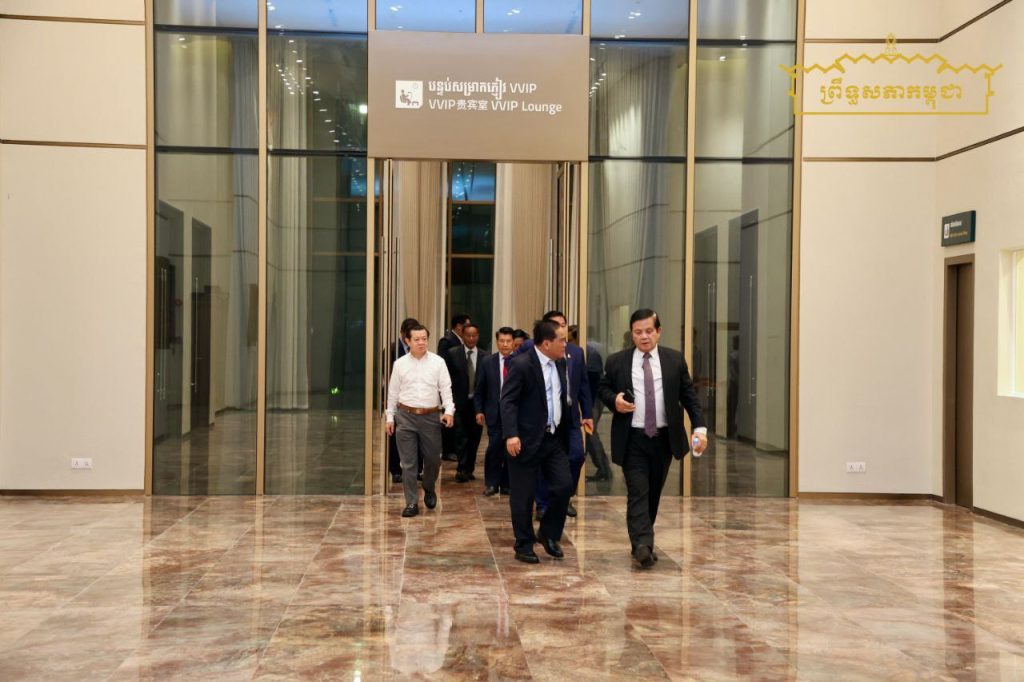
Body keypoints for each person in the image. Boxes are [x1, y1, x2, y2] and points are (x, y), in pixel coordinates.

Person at [597, 308, 708, 568]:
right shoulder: (617, 361)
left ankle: (642, 541)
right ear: (631, 334)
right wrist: (614, 400)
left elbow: (688, 396)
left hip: (663, 438)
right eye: (638, 332)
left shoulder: (674, 360)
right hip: (632, 437)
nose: (644, 336)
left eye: (649, 331)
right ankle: (642, 546)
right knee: (638, 490)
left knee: (653, 493)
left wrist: (700, 428)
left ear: (658, 332)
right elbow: (603, 388)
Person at [500, 319, 574, 564]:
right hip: (525, 439)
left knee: (564, 486)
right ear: (546, 343)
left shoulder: (561, 362)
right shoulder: (521, 364)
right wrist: (511, 434)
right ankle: (523, 544)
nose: (566, 344)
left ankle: (549, 533)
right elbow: (508, 401)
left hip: (553, 438)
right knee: (523, 496)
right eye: (562, 340)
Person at [386, 324, 455, 518]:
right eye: (417, 339)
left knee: (433, 460)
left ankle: (429, 486)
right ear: (408, 341)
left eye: (424, 339)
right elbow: (393, 393)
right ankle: (411, 502)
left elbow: (446, 389)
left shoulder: (438, 362)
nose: (421, 342)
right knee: (408, 463)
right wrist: (390, 417)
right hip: (405, 416)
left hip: (430, 417)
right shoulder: (399, 364)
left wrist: (449, 411)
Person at [531, 312, 592, 520]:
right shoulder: (533, 350)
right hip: (545, 419)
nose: (561, 328)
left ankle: (563, 497)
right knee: (544, 461)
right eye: (556, 324)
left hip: (570, 417)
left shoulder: (575, 352)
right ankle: (542, 503)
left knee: (576, 456)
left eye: (563, 324)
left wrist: (588, 413)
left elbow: (583, 385)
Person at [475, 327, 514, 496]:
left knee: (511, 450)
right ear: (497, 342)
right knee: (494, 448)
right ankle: (491, 483)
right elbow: (479, 389)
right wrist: (479, 410)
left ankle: (507, 484)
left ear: (513, 342)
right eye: (501, 341)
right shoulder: (487, 362)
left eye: (508, 341)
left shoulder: (521, 362)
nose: (505, 344)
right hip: (494, 413)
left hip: (513, 414)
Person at [571, 325, 611, 482]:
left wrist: (587, 406)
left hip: (594, 399)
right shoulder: (580, 352)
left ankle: (603, 469)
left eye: (570, 339)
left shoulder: (590, 354)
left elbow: (593, 382)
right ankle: (602, 468)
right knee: (589, 434)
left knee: (590, 433)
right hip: (587, 399)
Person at [447, 323, 486, 483]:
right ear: (462, 336)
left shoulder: (485, 356)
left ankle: (469, 468)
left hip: (477, 405)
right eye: (468, 335)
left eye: (474, 335)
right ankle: (461, 469)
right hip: (458, 403)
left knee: (474, 438)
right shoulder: (453, 354)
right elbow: (447, 379)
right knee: (460, 436)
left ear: (478, 336)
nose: (471, 338)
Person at [390, 317, 421, 484]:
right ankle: (395, 470)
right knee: (396, 437)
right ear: (403, 334)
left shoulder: (422, 351)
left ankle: (418, 469)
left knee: (419, 437)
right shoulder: (392, 349)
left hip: (418, 401)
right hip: (399, 401)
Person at [437, 313, 471, 462]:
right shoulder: (447, 341)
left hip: (462, 388)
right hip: (451, 386)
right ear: (458, 326)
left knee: (458, 422)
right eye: (466, 325)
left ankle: (456, 449)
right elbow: (444, 363)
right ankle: (447, 450)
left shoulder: (463, 341)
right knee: (449, 419)